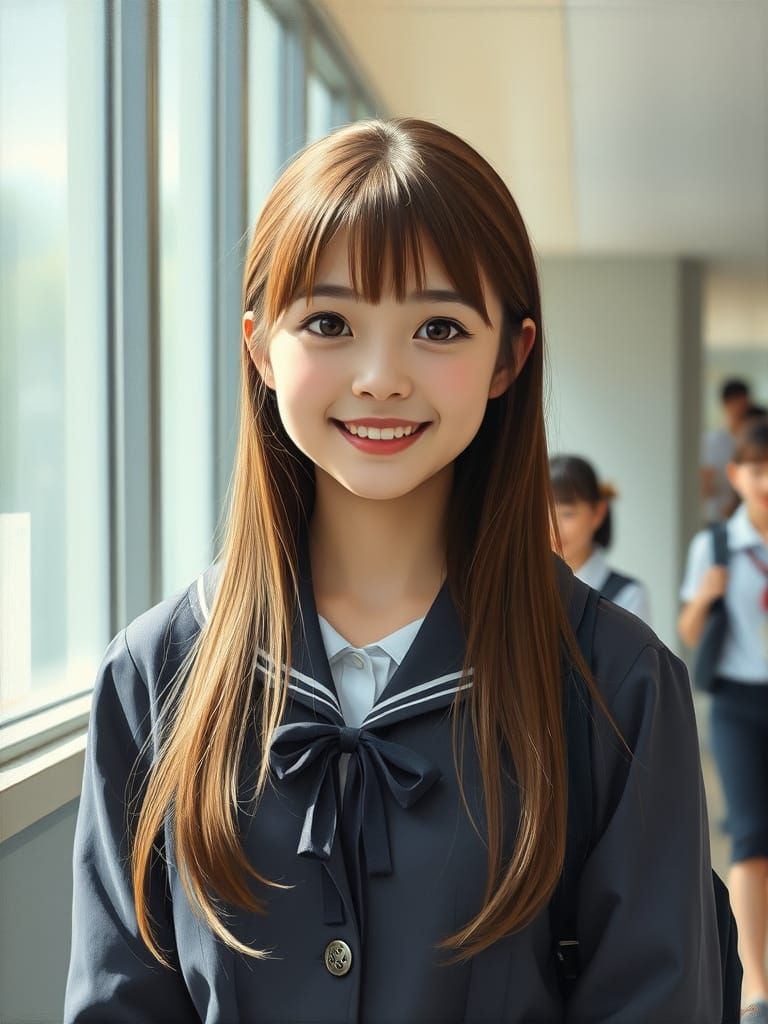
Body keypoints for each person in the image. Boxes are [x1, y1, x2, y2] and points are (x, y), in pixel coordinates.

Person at [64, 117, 723, 1022]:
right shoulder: (154, 676)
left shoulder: (618, 683)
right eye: (329, 322)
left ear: (510, 356)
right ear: (259, 346)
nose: (380, 376)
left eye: (439, 328)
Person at [680, 415, 768, 1024]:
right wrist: (709, 594)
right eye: (756, 469)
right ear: (735, 475)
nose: (765, 482)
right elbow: (688, 632)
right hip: (737, 704)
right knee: (751, 836)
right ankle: (755, 985)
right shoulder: (713, 545)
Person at [550, 454, 652, 626]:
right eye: (543, 513)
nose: (553, 527)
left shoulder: (627, 596)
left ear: (598, 513)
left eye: (567, 514)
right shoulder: (523, 587)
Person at [701, 378, 753, 524]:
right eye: (735, 401)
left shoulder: (752, 441)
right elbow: (705, 483)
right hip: (717, 515)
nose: (740, 408)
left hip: (746, 517)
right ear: (725, 404)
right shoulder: (712, 441)